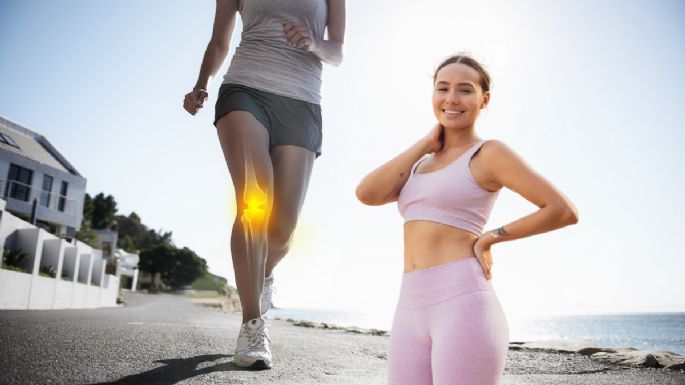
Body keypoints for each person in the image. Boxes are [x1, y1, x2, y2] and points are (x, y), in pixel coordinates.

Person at [355, 54, 579, 385]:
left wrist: (491, 237)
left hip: (463, 304)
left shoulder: (489, 153)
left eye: (465, 90)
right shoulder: (420, 162)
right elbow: (367, 193)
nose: (452, 99)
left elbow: (562, 210)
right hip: (409, 307)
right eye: (442, 88)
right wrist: (425, 144)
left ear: (483, 99)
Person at [183, 0, 345, 370]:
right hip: (246, 89)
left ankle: (264, 274)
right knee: (254, 201)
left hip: (302, 102)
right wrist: (201, 85)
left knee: (282, 230)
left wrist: (313, 43)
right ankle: (252, 324)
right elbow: (219, 42)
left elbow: (337, 50)